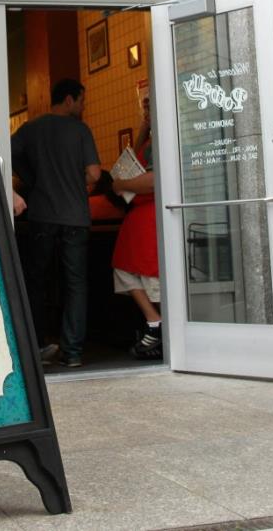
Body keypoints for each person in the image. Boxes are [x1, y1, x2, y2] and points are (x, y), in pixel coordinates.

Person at [11, 78, 101, 368]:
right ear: (68, 100)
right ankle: (72, 351)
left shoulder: (31, 128)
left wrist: (31, 178)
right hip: (75, 216)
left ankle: (38, 346)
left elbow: (6, 153)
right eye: (81, 100)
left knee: (37, 282)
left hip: (41, 216)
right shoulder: (80, 131)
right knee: (75, 284)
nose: (83, 105)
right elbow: (95, 174)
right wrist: (79, 182)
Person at [111, 94, 161, 359]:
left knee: (150, 275)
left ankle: (157, 325)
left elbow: (151, 180)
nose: (147, 111)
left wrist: (122, 186)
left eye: (150, 106)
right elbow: (131, 162)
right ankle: (154, 321)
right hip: (139, 216)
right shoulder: (152, 140)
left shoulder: (162, 142)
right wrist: (143, 128)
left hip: (150, 215)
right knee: (127, 269)